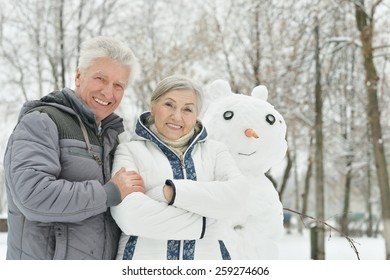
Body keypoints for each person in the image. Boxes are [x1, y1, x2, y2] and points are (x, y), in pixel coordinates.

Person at [3, 36, 144, 260]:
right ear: (79, 76)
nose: (109, 92)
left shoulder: (113, 137)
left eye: (119, 85)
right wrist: (109, 193)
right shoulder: (42, 122)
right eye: (101, 78)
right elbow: (33, 196)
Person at [111, 75, 251, 260]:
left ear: (196, 115)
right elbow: (129, 217)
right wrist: (206, 221)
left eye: (188, 109)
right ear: (153, 107)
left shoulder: (216, 152)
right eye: (169, 105)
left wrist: (169, 193)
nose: (177, 116)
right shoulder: (129, 151)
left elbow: (238, 198)